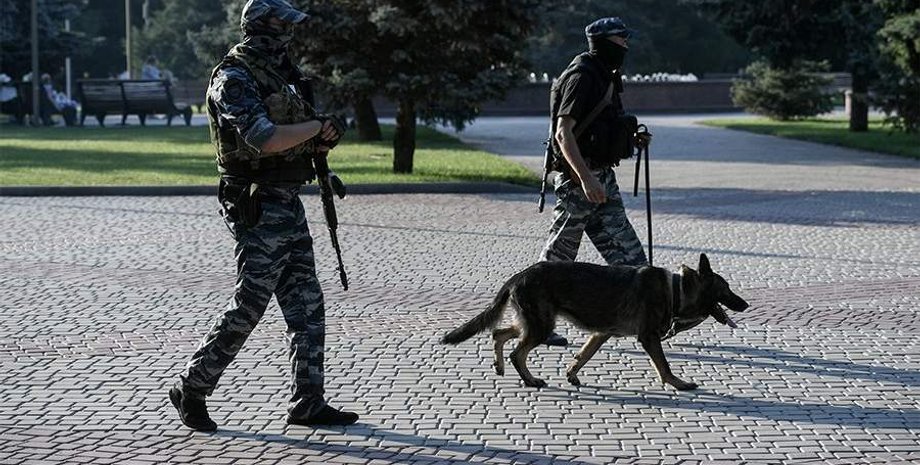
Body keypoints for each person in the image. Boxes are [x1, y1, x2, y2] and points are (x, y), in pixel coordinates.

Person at [169, 0, 356, 431]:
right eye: (281, 25)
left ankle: (308, 402)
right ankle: (191, 387)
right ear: (261, 27)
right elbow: (263, 138)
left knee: (306, 302)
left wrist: (324, 134)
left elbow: (297, 133)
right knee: (250, 303)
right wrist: (315, 127)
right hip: (255, 204)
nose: (289, 34)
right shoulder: (233, 78)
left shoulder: (283, 75)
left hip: (286, 200)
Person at [539, 17, 652, 347]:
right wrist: (586, 179)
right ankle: (539, 323)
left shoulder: (606, 74)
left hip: (603, 179)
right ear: (603, 42)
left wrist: (631, 139)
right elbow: (563, 133)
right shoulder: (582, 76)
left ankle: (649, 320)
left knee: (632, 262)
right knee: (558, 258)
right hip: (580, 182)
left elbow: (603, 125)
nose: (626, 45)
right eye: (621, 39)